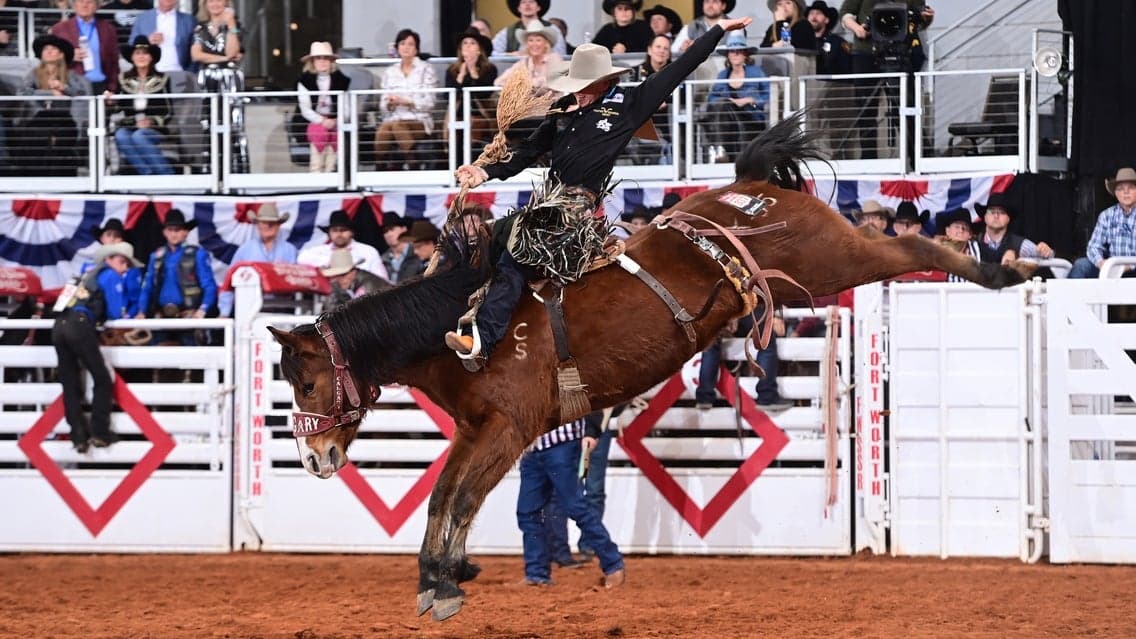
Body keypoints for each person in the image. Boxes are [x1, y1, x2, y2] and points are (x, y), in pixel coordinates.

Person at [445, 16, 753, 359]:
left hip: (576, 206)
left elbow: (678, 69)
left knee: (518, 253)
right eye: (577, 82)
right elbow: (527, 152)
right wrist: (483, 172)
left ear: (604, 81)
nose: (579, 88)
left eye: (586, 82)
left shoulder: (628, 106)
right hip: (548, 200)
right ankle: (458, 315)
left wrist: (718, 31)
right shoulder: (561, 110)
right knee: (488, 238)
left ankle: (483, 340)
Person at [52, 241, 144, 453]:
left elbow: (59, 305)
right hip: (82, 325)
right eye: (122, 262)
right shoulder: (110, 276)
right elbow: (113, 311)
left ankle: (78, 437)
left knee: (70, 382)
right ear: (109, 260)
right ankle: (100, 432)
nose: (124, 268)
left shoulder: (80, 277)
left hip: (59, 326)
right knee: (102, 378)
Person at [516, 412, 625, 587]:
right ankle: (536, 573)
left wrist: (591, 431)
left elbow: (589, 396)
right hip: (534, 448)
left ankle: (613, 564)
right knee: (528, 512)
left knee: (575, 507)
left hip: (561, 446)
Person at [839, 0, 933, 159]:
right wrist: (857, 28)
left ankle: (918, 158)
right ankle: (869, 159)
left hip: (901, 51)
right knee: (866, 108)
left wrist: (926, 18)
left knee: (906, 106)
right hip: (866, 51)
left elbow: (917, 21)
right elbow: (846, 14)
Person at [13, 34, 89, 177]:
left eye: (53, 49)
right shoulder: (33, 74)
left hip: (64, 118)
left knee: (61, 138)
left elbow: (80, 93)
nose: (48, 51)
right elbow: (22, 92)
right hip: (39, 118)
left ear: (61, 54)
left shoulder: (71, 75)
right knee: (36, 137)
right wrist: (49, 93)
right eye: (45, 49)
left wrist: (64, 87)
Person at [136, 208, 218, 325]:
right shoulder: (156, 256)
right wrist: (142, 311)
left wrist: (202, 310)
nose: (173, 234)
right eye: (170, 230)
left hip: (188, 317)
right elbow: (147, 287)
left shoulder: (198, 254)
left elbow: (209, 286)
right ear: (164, 232)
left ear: (185, 232)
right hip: (160, 316)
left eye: (177, 230)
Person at [217, 202, 297, 317]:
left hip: (283, 309)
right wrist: (224, 312)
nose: (267, 226)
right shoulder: (245, 250)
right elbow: (229, 280)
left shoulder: (290, 250)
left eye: (272, 223)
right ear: (257, 225)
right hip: (248, 310)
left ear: (278, 225)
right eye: (264, 222)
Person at [110, 36, 174, 176]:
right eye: (137, 53)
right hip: (130, 125)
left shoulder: (162, 79)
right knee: (121, 135)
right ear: (132, 58)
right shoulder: (123, 79)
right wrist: (110, 101)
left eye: (145, 53)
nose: (141, 57)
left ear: (151, 57)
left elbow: (169, 111)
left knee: (139, 136)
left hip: (154, 128)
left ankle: (166, 174)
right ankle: (146, 174)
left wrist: (151, 121)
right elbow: (117, 108)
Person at [374, 28, 437, 172]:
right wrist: (389, 103)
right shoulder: (390, 72)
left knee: (396, 126)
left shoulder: (427, 69)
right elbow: (382, 104)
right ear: (397, 48)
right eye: (402, 43)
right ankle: (381, 166)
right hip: (394, 119)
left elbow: (430, 102)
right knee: (385, 127)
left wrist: (407, 101)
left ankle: (411, 163)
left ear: (416, 49)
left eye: (410, 44)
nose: (406, 47)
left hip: (419, 120)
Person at [702, 32, 769, 163]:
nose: (736, 54)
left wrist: (749, 100)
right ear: (728, 55)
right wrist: (729, 102)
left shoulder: (756, 73)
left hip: (750, 118)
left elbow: (769, 96)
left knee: (722, 106)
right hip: (727, 120)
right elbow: (711, 99)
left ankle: (720, 150)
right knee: (722, 105)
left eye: (739, 51)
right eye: (732, 51)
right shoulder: (722, 75)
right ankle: (721, 149)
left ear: (745, 54)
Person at [1069, 168, 1136, 279]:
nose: (1126, 192)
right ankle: (1070, 296)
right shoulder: (1106, 215)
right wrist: (1102, 263)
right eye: (1121, 189)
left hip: (1134, 267)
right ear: (1116, 193)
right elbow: (1093, 247)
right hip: (1111, 267)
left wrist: (1128, 266)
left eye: (1131, 188)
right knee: (1081, 266)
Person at [297, 41, 349, 173]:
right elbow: (305, 109)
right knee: (317, 161)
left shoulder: (341, 80)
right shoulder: (304, 80)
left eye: (326, 58)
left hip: (336, 123)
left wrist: (335, 121)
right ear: (312, 61)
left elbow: (347, 108)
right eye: (318, 58)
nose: (322, 61)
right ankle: (317, 182)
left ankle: (332, 182)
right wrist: (322, 121)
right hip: (314, 122)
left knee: (332, 162)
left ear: (331, 60)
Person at [49, 0, 120, 93]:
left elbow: (114, 62)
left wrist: (112, 88)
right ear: (74, 5)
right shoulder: (60, 29)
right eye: (81, 1)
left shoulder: (108, 29)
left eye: (89, 2)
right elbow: (49, 60)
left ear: (96, 6)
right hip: (71, 87)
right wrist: (69, 55)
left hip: (101, 86)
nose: (85, 5)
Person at [297, 209, 387, 280]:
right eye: (335, 230)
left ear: (351, 232)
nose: (339, 234)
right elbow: (301, 259)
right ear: (329, 233)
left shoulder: (368, 251)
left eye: (343, 230)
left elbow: (381, 280)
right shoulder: (320, 251)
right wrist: (331, 261)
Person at [445, 29, 497, 149]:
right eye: (465, 43)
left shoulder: (489, 69)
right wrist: (461, 76)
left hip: (482, 113)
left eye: (472, 43)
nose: (468, 46)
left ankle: (472, 161)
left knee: (473, 122)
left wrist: (473, 72)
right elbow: (447, 97)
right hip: (457, 114)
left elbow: (486, 94)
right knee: (455, 125)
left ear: (479, 49)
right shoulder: (452, 70)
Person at [975, 192, 1054, 266]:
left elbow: (1049, 256)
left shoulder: (1020, 244)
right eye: (992, 212)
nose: (996, 216)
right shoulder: (973, 244)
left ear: (1008, 219)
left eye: (1002, 212)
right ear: (985, 217)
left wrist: (1047, 251)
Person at [129, 0, 196, 74]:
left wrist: (190, 72)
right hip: (149, 73)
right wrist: (147, 41)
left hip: (178, 73)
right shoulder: (142, 18)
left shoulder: (189, 20)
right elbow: (131, 44)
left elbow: (195, 48)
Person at [190, 0, 241, 93]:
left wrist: (231, 24)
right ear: (205, 4)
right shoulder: (200, 28)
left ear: (226, 3)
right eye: (211, 1)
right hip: (207, 77)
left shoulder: (235, 26)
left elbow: (231, 52)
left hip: (229, 78)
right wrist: (225, 58)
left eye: (219, 0)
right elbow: (196, 55)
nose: (215, 4)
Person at [494, 22, 561, 91]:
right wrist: (520, 85)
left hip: (553, 101)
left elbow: (555, 81)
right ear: (527, 44)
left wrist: (527, 83)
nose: (534, 44)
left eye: (538, 40)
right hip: (529, 101)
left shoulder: (554, 58)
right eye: (530, 40)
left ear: (546, 43)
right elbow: (499, 82)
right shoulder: (524, 62)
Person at [492, 0, 567, 57]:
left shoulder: (552, 29)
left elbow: (561, 55)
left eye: (531, 1)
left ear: (538, 7)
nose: (527, 5)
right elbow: (492, 53)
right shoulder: (507, 32)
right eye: (523, 2)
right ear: (518, 8)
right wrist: (510, 55)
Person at [321, 248, 391, 307]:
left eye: (343, 274)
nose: (340, 279)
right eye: (336, 275)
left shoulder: (369, 285)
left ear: (353, 271)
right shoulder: (347, 284)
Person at [379, 212, 425, 285]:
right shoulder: (382, 260)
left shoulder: (419, 252)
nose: (389, 234)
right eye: (385, 231)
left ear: (404, 229)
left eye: (392, 229)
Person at [806, 0, 850, 75]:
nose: (814, 16)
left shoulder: (837, 42)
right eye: (811, 13)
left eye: (818, 13)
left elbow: (846, 69)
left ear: (826, 20)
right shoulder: (803, 42)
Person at [938, 207, 980, 282]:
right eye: (957, 227)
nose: (960, 230)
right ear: (947, 231)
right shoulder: (937, 251)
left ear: (970, 234)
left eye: (965, 228)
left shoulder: (980, 249)